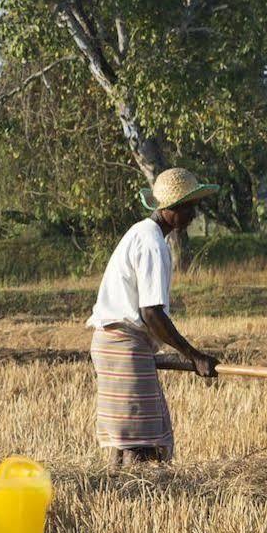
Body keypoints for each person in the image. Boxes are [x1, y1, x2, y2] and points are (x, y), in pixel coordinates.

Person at [87, 168, 221, 467]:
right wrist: (193, 355)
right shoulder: (152, 243)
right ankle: (135, 499)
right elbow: (151, 313)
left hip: (115, 345)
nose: (193, 215)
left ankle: (120, 497)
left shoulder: (141, 232)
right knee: (143, 443)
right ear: (172, 209)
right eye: (190, 208)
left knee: (131, 441)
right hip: (124, 345)